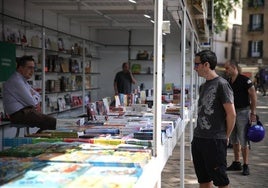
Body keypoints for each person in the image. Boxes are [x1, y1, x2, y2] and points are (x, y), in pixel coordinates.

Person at [191, 50, 236, 188]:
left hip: (215, 140)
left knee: (221, 181)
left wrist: (225, 136)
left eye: (197, 64)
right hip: (199, 139)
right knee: (203, 180)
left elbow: (232, 114)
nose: (194, 68)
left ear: (206, 64)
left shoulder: (222, 84)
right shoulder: (203, 86)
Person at [3, 55, 56, 133]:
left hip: (26, 112)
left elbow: (38, 95)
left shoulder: (22, 80)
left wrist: (33, 96)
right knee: (52, 122)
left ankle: (39, 138)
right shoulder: (17, 81)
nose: (32, 71)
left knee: (49, 121)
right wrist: (34, 98)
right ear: (20, 68)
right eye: (29, 68)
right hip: (19, 114)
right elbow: (32, 102)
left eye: (33, 68)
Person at [224, 60, 257, 176]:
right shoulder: (228, 81)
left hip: (243, 111)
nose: (226, 70)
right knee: (234, 139)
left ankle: (246, 165)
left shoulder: (244, 80)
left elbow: (253, 96)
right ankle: (237, 162)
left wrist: (253, 113)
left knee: (243, 139)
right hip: (231, 113)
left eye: (227, 68)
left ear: (234, 67)